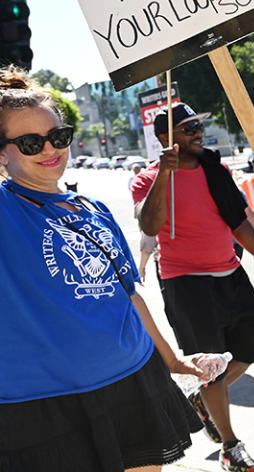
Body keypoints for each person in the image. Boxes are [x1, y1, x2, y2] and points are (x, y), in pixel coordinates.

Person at [0, 66, 203, 472]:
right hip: (41, 407)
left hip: (132, 380)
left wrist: (172, 360)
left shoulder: (94, 209)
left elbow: (130, 297)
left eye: (58, 136)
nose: (48, 149)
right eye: (29, 142)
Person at [132, 104, 254, 472]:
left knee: (248, 352)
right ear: (164, 138)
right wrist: (164, 176)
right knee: (211, 369)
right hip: (185, 282)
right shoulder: (147, 179)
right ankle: (230, 446)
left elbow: (238, 223)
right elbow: (151, 225)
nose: (196, 132)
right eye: (187, 127)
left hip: (230, 274)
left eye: (196, 125)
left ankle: (204, 398)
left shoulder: (216, 170)